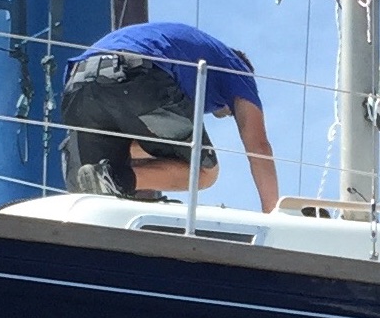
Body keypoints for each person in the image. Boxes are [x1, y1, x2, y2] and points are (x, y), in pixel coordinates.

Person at [59, 20, 281, 211]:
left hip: (77, 84)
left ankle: (100, 173)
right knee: (204, 170)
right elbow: (258, 146)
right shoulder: (237, 69)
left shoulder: (198, 52)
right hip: (135, 77)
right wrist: (273, 214)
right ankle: (116, 178)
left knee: (99, 197)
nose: (224, 114)